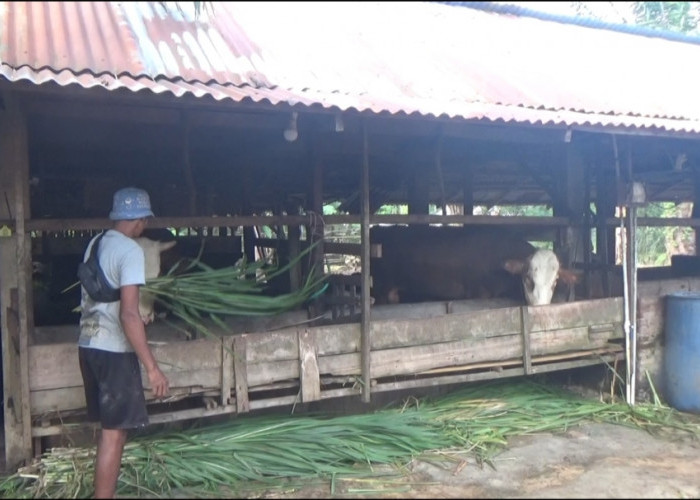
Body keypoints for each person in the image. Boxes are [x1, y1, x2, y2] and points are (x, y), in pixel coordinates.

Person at [77, 187, 170, 498]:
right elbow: (129, 314)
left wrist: (134, 317)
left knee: (107, 432)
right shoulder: (131, 251)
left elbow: (107, 301)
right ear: (140, 221)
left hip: (88, 346)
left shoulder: (96, 243)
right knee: (114, 435)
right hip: (114, 352)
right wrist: (152, 368)